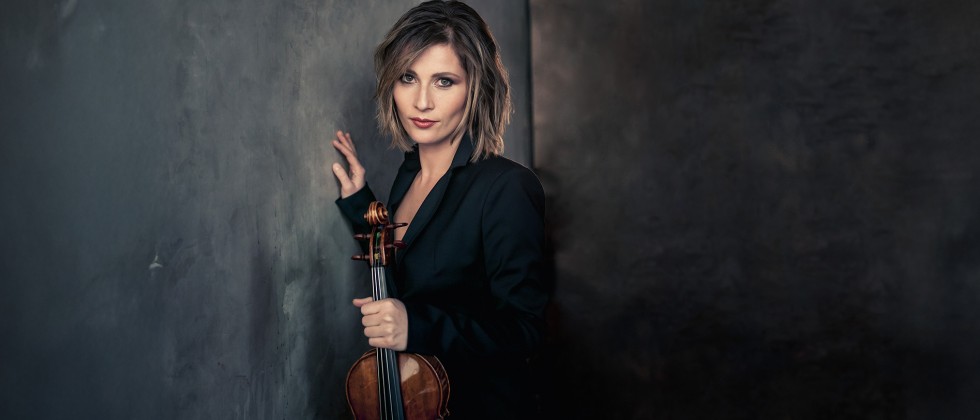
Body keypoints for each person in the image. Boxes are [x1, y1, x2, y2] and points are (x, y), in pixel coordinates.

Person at [331, 1, 548, 418]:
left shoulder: (507, 187)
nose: (422, 101)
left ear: (476, 89)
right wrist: (361, 201)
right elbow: (415, 263)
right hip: (416, 403)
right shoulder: (409, 176)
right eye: (408, 77)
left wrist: (417, 326)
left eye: (444, 81)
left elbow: (526, 331)